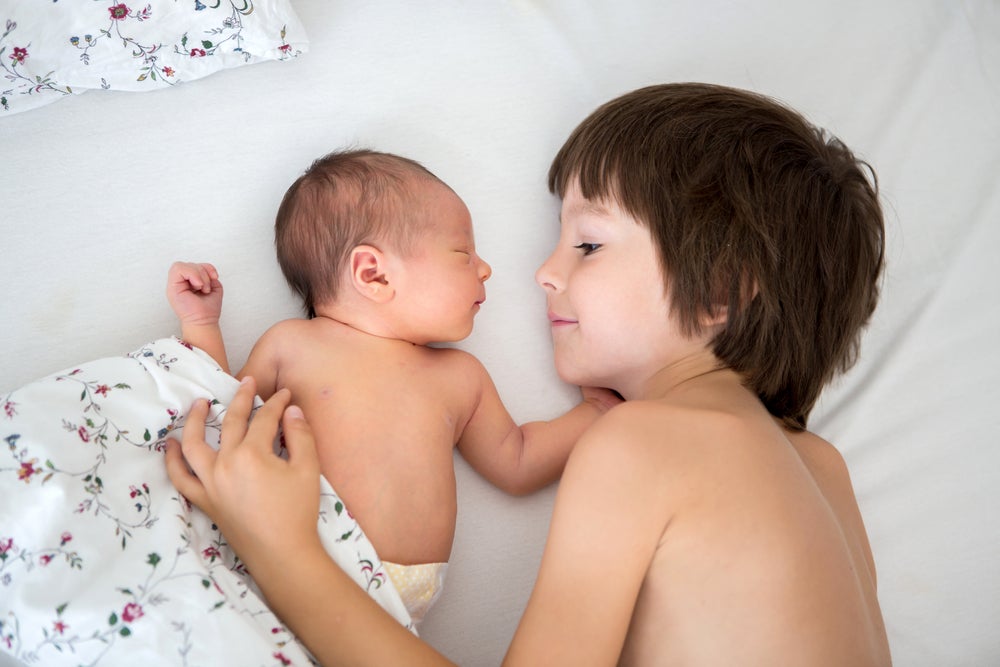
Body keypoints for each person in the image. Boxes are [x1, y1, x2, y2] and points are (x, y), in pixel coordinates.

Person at [166, 83, 892, 665]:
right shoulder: (818, 465)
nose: (544, 273)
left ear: (719, 291)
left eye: (589, 243)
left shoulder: (647, 444)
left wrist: (283, 549)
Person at [165, 149, 619, 626]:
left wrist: (593, 413)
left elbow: (518, 460)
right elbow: (215, 416)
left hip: (394, 607)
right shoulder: (294, 345)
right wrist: (201, 324)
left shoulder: (460, 376)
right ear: (373, 274)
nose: (485, 270)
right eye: (464, 254)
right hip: (280, 567)